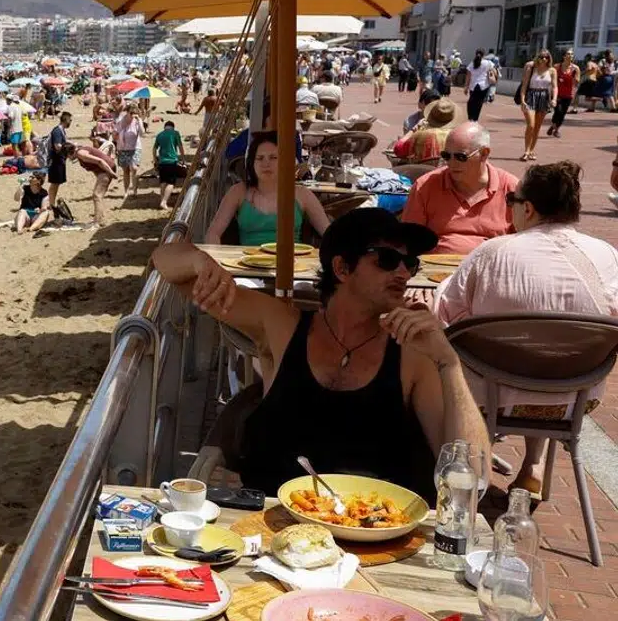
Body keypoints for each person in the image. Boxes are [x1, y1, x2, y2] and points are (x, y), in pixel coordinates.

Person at [152, 208, 489, 503]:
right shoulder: (281, 325)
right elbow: (165, 261)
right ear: (342, 268)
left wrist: (449, 362)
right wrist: (199, 260)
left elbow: (472, 478)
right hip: (269, 523)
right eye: (387, 260)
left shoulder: (413, 354)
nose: (402, 273)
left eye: (409, 263)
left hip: (371, 530)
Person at [433, 161, 617, 493]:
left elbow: (443, 311)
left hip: (490, 396)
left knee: (446, 357)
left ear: (528, 208)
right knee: (548, 356)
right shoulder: (606, 255)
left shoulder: (492, 254)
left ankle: (459, 464)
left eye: (511, 202)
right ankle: (533, 462)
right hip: (573, 397)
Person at [401, 123, 518, 254]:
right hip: (437, 269)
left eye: (460, 157)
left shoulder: (511, 188)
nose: (451, 163)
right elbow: (408, 242)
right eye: (446, 156)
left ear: (484, 153)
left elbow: (526, 242)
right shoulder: (425, 186)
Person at [205, 131, 330, 245]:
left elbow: (329, 233)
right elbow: (213, 234)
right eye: (260, 158)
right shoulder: (238, 192)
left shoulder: (302, 194)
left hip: (293, 266)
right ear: (251, 164)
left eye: (273, 158)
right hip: (246, 265)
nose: (266, 164)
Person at [517, 48, 554, 162]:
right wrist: (522, 99)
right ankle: (526, 151)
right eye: (541, 57)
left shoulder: (552, 71)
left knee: (537, 128)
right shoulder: (531, 68)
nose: (544, 59)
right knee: (531, 125)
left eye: (546, 57)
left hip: (543, 97)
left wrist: (554, 99)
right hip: (531, 96)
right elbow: (524, 85)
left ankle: (531, 151)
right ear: (537, 58)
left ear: (549, 59)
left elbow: (555, 86)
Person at [392, 98, 457, 163]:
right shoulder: (456, 135)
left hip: (423, 170)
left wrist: (414, 129)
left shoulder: (421, 134)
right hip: (447, 170)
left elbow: (398, 150)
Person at [73, 137, 118, 227]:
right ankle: (101, 219)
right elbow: (94, 167)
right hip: (103, 170)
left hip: (106, 168)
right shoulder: (80, 153)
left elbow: (99, 161)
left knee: (97, 195)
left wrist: (111, 173)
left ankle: (97, 222)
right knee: (98, 196)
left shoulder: (81, 154)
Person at [113, 102, 144, 197]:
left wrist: (139, 121)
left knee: (134, 169)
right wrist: (116, 137)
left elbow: (142, 133)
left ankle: (134, 191)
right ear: (127, 112)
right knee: (125, 171)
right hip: (123, 148)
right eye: (131, 113)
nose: (133, 115)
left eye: (135, 113)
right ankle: (126, 191)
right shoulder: (121, 121)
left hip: (135, 148)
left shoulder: (137, 121)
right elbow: (114, 134)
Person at [153, 120, 185, 209]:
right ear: (173, 127)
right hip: (172, 161)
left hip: (162, 161)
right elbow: (180, 146)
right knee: (171, 183)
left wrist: (155, 160)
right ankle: (164, 201)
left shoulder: (160, 135)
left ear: (165, 127)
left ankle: (162, 200)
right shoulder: (175, 133)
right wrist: (183, 159)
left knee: (163, 182)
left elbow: (154, 149)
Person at [549, 48, 579, 138]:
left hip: (568, 94)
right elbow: (551, 80)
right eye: (568, 54)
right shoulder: (557, 67)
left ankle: (555, 129)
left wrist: (574, 77)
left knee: (563, 113)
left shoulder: (575, 68)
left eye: (572, 54)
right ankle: (554, 125)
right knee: (558, 110)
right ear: (564, 56)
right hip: (557, 93)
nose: (571, 56)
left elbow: (577, 82)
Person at [463, 49, 496, 122]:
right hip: (484, 85)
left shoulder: (472, 63)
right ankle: (475, 119)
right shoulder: (488, 63)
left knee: (471, 101)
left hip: (473, 86)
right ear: (484, 55)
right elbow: (493, 71)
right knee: (479, 102)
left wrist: (466, 87)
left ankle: (470, 118)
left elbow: (468, 76)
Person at [47, 111, 72, 205]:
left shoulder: (61, 130)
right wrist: (68, 147)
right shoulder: (57, 131)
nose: (70, 122)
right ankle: (51, 203)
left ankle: (51, 202)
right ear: (65, 120)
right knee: (54, 183)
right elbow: (57, 146)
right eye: (70, 120)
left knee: (57, 183)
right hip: (56, 161)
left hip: (59, 160)